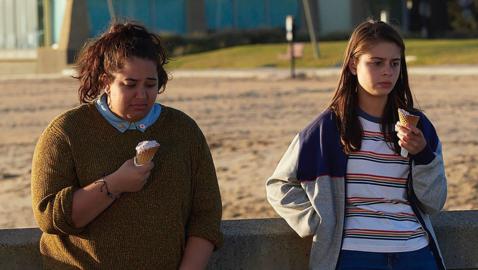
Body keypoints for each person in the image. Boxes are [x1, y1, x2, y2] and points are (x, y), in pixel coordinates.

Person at [31, 21, 222, 269]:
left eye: (150, 84)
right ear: (105, 82)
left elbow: (206, 216)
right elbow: (49, 217)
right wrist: (116, 184)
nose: (141, 95)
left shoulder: (184, 131)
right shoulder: (66, 132)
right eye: (130, 85)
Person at [266, 20, 447, 270]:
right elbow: (279, 185)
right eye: (377, 62)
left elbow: (434, 203)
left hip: (414, 253)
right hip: (353, 256)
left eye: (395, 63)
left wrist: (423, 155)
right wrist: (318, 223)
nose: (388, 72)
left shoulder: (419, 127)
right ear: (353, 64)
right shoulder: (327, 129)